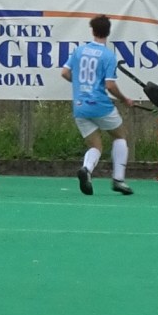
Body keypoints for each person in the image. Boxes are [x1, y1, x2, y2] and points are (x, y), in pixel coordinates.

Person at [59, 14, 135, 196]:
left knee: (95, 146)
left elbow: (65, 73)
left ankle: (86, 169)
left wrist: (79, 84)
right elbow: (110, 85)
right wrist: (124, 99)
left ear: (92, 31)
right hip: (100, 105)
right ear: (108, 32)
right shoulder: (108, 56)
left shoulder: (79, 51)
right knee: (120, 135)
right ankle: (118, 180)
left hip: (80, 106)